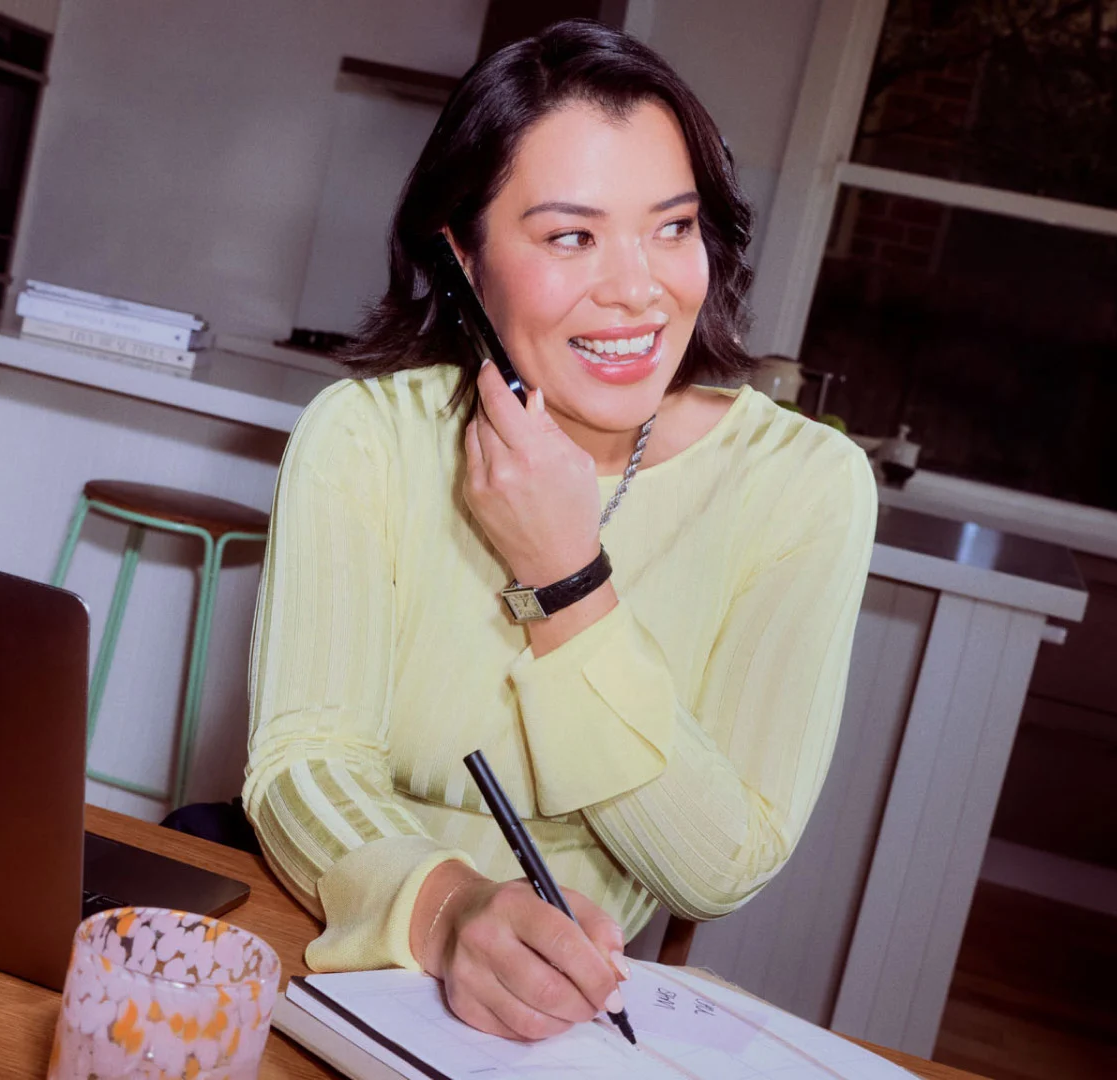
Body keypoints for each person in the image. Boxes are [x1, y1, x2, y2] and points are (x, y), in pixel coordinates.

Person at [242, 20, 877, 1042]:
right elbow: (302, 763)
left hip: (572, 1029)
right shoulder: (364, 437)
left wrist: (567, 581)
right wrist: (448, 910)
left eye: (672, 227)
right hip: (330, 961)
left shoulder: (806, 486)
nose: (639, 287)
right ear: (463, 253)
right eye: (571, 236)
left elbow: (718, 869)